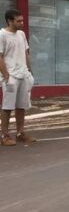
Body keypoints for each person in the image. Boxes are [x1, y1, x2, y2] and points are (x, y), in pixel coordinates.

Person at [0, 9, 35, 146]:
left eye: (22, 20)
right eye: (18, 21)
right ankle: (5, 135)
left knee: (22, 106)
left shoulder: (21, 34)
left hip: (23, 75)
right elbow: (0, 57)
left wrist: (30, 71)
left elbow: (26, 53)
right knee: (7, 107)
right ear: (9, 21)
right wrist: (6, 76)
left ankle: (20, 133)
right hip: (11, 76)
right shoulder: (2, 35)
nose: (22, 23)